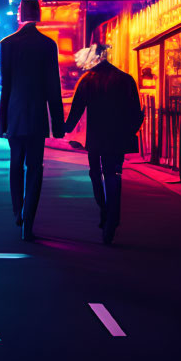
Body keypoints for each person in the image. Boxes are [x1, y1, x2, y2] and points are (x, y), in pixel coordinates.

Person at [0, 0, 65, 240]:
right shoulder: (48, 45)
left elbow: (5, 86)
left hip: (15, 117)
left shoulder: (7, 44)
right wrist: (58, 124)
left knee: (16, 164)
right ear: (38, 14)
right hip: (38, 117)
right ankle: (29, 219)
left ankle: (18, 211)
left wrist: (2, 123)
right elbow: (53, 87)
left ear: (20, 15)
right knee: (35, 168)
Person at [65, 43, 144, 245]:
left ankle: (104, 209)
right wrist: (129, 132)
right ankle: (112, 219)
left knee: (95, 174)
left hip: (96, 139)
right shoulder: (125, 79)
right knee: (114, 174)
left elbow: (75, 112)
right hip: (117, 138)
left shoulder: (88, 80)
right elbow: (136, 113)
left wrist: (62, 128)